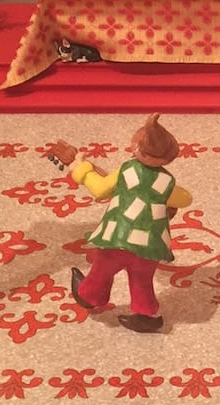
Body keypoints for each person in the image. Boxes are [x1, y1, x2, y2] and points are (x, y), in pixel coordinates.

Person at [54, 114, 191, 334]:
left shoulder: (127, 169)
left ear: (137, 149)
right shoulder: (167, 181)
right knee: (142, 280)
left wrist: (80, 168)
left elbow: (100, 189)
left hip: (118, 238)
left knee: (102, 270)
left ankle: (89, 296)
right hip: (150, 245)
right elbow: (185, 199)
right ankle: (145, 316)